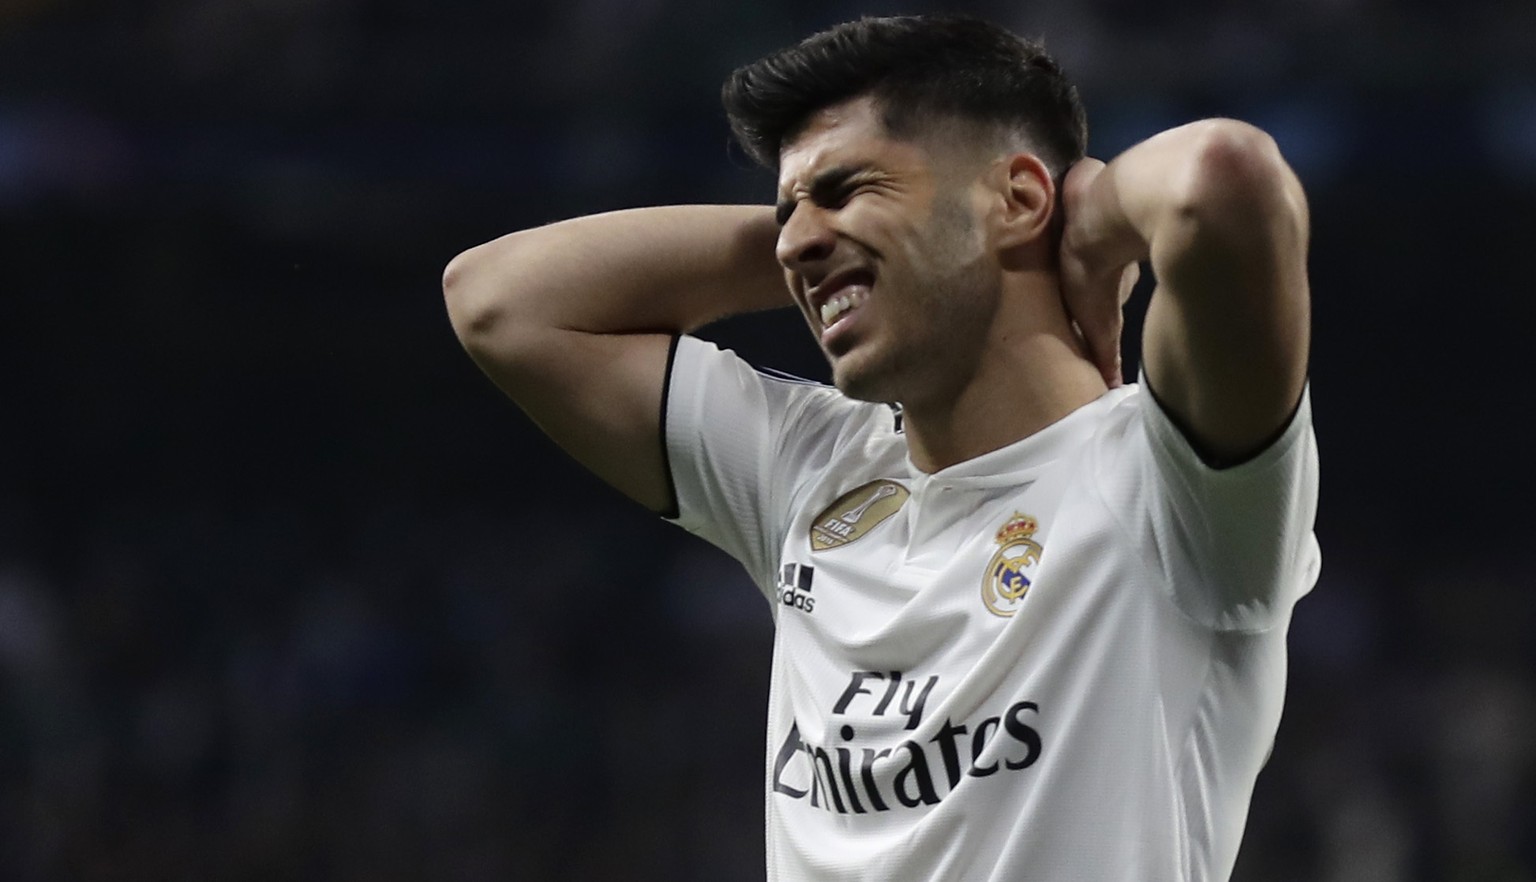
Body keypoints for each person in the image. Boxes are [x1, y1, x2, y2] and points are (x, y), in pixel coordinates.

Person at [443, 13, 1318, 881]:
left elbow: (1223, 178)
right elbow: (497, 301)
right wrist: (833, 245)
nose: (794, 237)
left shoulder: (1171, 493)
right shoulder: (809, 474)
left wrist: (1090, 218)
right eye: (786, 209)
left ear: (1017, 199)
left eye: (845, 187)